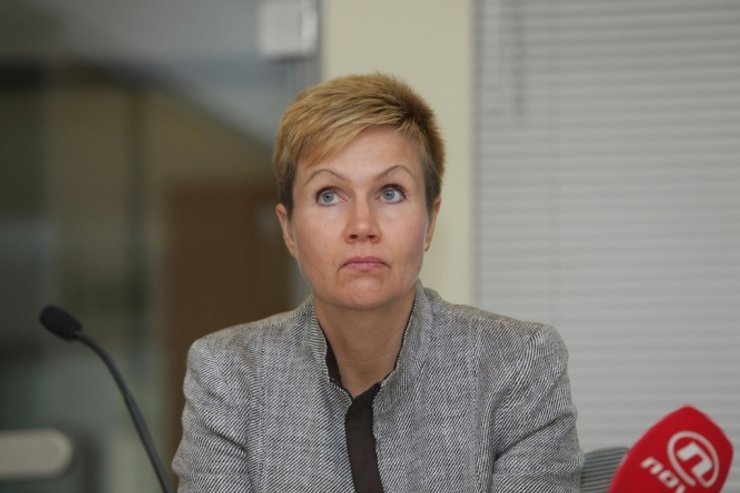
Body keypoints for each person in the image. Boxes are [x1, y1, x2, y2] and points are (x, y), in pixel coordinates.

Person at [172, 73, 583, 492]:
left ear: (430, 221)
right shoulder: (230, 374)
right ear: (289, 230)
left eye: (390, 192)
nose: (362, 226)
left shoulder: (518, 366)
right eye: (329, 195)